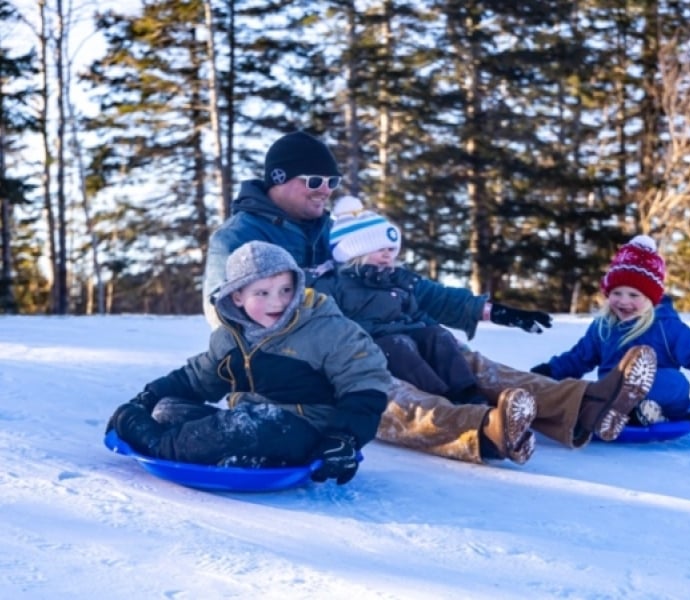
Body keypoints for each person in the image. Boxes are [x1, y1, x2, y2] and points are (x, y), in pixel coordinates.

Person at [201, 130, 658, 465]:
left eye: (332, 182)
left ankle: (582, 404)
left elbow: (403, 285)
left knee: (465, 361)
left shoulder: (327, 228)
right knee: (385, 391)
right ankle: (483, 430)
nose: (326, 192)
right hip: (297, 359)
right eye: (314, 181)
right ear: (279, 180)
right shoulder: (240, 236)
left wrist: (487, 308)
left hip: (369, 333)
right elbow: (224, 314)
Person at [106, 241, 392, 485]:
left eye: (285, 289)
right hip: (252, 423)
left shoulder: (329, 330)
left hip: (309, 431)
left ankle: (156, 444)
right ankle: (246, 459)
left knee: (245, 425)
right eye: (262, 293)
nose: (277, 302)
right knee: (167, 409)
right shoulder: (230, 338)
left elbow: (365, 384)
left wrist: (343, 438)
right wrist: (148, 397)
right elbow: (196, 378)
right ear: (238, 297)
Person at [313, 196, 539, 463]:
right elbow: (327, 319)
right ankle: (443, 399)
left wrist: (442, 332)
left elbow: (418, 312)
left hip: (405, 336)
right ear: (354, 251)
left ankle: (469, 395)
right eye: (380, 248)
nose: (388, 253)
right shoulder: (335, 284)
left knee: (438, 336)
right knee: (398, 345)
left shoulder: (398, 281)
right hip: (372, 345)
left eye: (391, 248)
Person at [530, 235, 690, 433]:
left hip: (661, 395)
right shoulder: (604, 326)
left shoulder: (666, 327)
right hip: (611, 395)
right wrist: (548, 372)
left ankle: (639, 412)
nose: (623, 302)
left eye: (634, 295)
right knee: (579, 388)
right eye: (617, 293)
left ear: (651, 299)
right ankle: (612, 413)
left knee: (674, 382)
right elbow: (578, 358)